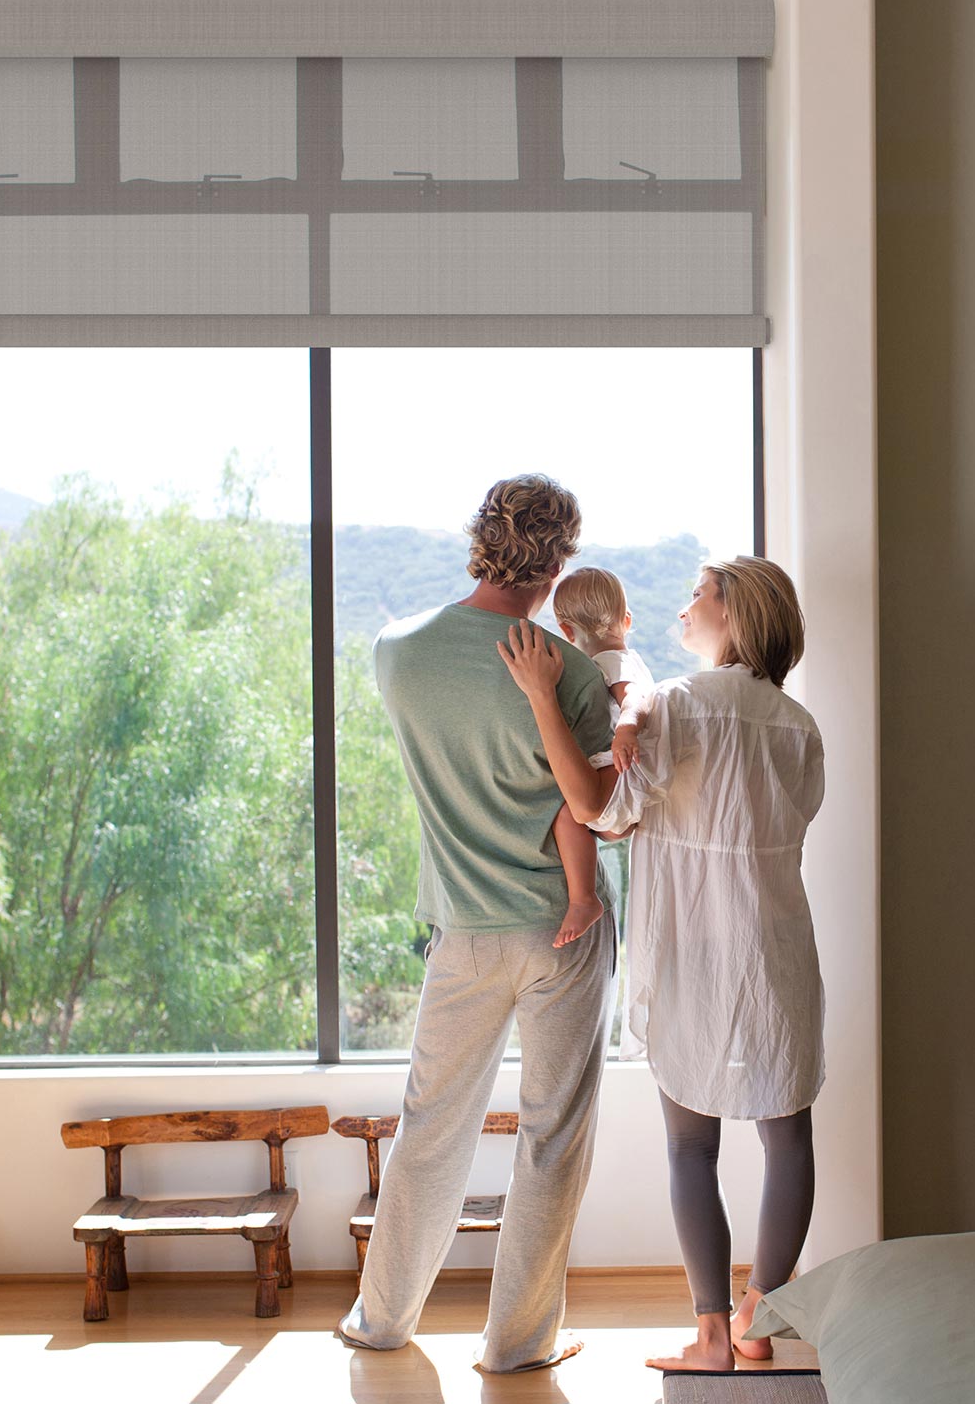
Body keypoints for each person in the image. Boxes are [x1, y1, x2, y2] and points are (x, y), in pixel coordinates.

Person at [497, 556, 825, 1373]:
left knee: (691, 1149)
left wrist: (541, 697)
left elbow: (598, 811)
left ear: (735, 613)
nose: (684, 607)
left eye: (699, 594)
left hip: (691, 951)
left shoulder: (676, 705)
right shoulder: (799, 727)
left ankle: (712, 1338)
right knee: (789, 1139)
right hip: (778, 949)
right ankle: (758, 1320)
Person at [337, 475, 618, 1375]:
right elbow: (592, 808)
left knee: (430, 1127)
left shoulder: (396, 652)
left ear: (479, 542)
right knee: (552, 1135)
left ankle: (381, 1321)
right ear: (559, 561)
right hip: (561, 930)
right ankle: (518, 1345)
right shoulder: (571, 674)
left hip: (462, 930)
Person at [537, 566, 657, 950]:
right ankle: (585, 895)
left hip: (619, 772)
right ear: (627, 620)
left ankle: (583, 898)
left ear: (566, 631)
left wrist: (627, 730)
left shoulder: (610, 663)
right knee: (576, 816)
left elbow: (634, 698)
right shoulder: (628, 658)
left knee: (565, 813)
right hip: (627, 780)